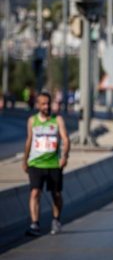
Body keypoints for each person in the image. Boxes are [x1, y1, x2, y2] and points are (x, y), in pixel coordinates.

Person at [22, 92, 70, 236]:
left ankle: (56, 220)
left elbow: (66, 139)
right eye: (43, 104)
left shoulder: (58, 120)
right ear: (38, 105)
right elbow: (29, 141)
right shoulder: (32, 120)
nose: (46, 106)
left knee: (56, 194)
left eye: (48, 103)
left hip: (54, 164)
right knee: (35, 192)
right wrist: (25, 160)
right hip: (36, 163)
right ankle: (35, 224)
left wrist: (65, 156)